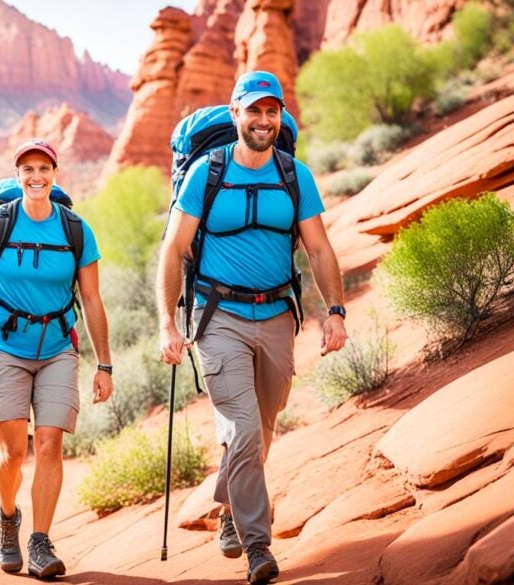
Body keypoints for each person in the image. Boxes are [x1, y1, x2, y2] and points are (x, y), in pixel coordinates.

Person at [156, 71, 348, 585]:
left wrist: (336, 310)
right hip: (219, 318)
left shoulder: (294, 174)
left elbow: (320, 248)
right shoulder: (206, 173)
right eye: (254, 110)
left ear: (281, 116)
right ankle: (256, 546)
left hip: (278, 316)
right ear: (235, 112)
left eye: (272, 111)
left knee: (261, 429)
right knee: (241, 429)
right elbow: (173, 250)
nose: (263, 120)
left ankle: (227, 509)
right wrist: (167, 323)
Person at [0, 139, 114, 580]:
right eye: (28, 169)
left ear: (55, 173)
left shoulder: (75, 230)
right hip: (4, 349)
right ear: (18, 176)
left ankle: (39, 541)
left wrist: (104, 364)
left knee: (50, 443)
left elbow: (91, 299)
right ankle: (9, 521)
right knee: (13, 452)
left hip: (57, 349)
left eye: (44, 168)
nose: (36, 176)